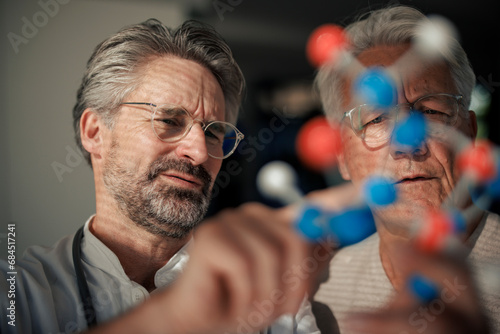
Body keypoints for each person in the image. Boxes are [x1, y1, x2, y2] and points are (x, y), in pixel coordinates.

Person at [0, 19, 325, 334]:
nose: (199, 153)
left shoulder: (272, 298)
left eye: (214, 133)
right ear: (95, 131)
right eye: (170, 120)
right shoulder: (17, 295)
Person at [310, 5, 499, 334]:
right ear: (340, 155)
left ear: (469, 132)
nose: (406, 143)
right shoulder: (321, 294)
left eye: (429, 110)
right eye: (376, 119)